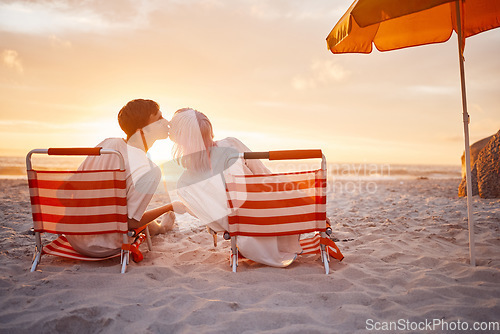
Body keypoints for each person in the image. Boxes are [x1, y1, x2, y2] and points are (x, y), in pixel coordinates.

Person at [168, 107, 302, 267]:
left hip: (250, 239)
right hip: (278, 221)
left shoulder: (185, 184)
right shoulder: (231, 145)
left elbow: (217, 224)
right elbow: (266, 175)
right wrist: (301, 200)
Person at [65, 99, 187, 257]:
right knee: (134, 216)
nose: (167, 122)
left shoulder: (107, 144)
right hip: (105, 246)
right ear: (141, 131)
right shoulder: (149, 170)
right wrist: (170, 206)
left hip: (75, 236)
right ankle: (162, 228)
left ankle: (160, 227)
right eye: (159, 119)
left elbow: (78, 183)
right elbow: (131, 223)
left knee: (127, 210)